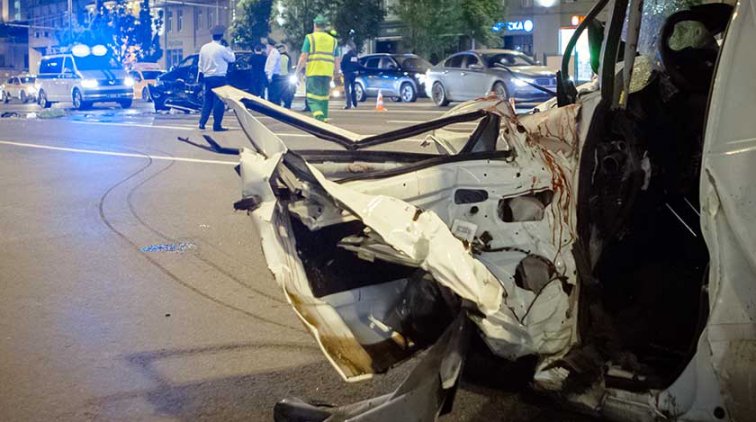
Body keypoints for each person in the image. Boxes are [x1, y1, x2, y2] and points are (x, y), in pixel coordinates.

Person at [295, 15, 338, 122]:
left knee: (312, 98)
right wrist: (337, 72)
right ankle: (324, 119)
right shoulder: (333, 40)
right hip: (327, 73)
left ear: (314, 25)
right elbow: (337, 58)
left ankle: (319, 117)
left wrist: (297, 71)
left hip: (314, 72)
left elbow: (303, 56)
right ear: (324, 26)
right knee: (324, 97)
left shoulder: (310, 38)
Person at [198, 25, 235, 131]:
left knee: (208, 101)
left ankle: (202, 122)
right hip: (219, 78)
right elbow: (232, 59)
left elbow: (200, 64)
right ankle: (217, 125)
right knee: (219, 101)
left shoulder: (204, 48)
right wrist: (228, 47)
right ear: (222, 36)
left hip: (207, 78)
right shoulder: (221, 49)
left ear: (212, 36)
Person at [340, 41, 360, 109]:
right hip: (353, 74)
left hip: (347, 74)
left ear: (349, 47)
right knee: (353, 89)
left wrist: (343, 71)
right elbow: (357, 65)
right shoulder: (355, 56)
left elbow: (342, 64)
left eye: (347, 47)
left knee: (347, 89)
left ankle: (348, 104)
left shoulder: (346, 56)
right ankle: (354, 103)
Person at [264, 40, 284, 105]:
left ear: (270, 46)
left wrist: (269, 76)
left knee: (273, 94)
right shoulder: (273, 53)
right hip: (273, 75)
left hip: (273, 76)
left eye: (267, 47)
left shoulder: (274, 53)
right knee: (272, 93)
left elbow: (272, 65)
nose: (266, 49)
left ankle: (274, 106)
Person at [277, 44, 295, 109]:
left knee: (283, 91)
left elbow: (289, 66)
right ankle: (287, 104)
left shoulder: (282, 56)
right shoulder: (286, 56)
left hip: (283, 76)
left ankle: (286, 103)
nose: (279, 50)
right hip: (284, 76)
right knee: (286, 91)